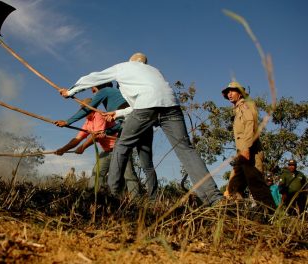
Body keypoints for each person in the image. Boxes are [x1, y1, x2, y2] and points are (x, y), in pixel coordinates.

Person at [59, 52, 223, 205]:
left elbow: (93, 77)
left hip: (145, 108)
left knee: (122, 146)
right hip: (171, 106)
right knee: (186, 150)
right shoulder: (155, 71)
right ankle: (214, 199)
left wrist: (70, 92)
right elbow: (149, 99)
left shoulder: (123, 67)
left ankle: (111, 196)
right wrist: (117, 113)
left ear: (131, 61)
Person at [54, 82, 141, 196]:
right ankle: (92, 197)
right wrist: (63, 149)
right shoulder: (87, 123)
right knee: (96, 174)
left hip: (119, 148)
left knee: (128, 174)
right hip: (106, 151)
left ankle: (136, 199)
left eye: (84, 108)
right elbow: (76, 139)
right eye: (81, 108)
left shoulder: (99, 115)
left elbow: (96, 135)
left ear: (91, 108)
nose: (82, 111)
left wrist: (83, 147)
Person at [222, 81, 275, 208]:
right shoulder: (237, 110)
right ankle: (235, 214)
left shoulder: (246, 105)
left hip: (251, 153)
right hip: (242, 155)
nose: (229, 94)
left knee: (257, 186)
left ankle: (272, 215)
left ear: (240, 94)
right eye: (227, 92)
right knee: (233, 187)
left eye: (232, 91)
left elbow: (250, 124)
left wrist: (245, 149)